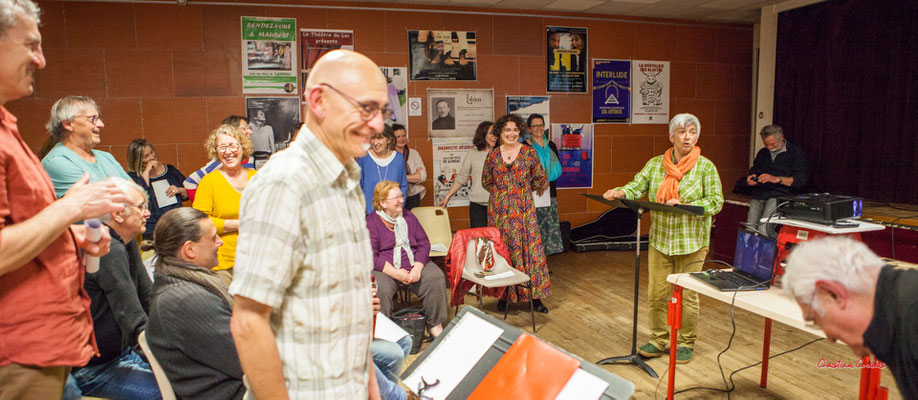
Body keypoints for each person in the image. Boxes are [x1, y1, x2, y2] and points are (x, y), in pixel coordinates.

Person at [229, 49, 390, 399]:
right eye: (366, 108)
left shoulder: (348, 178)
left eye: (382, 111)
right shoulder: (284, 184)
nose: (378, 125)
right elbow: (248, 322)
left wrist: (370, 389)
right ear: (318, 101)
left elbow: (350, 309)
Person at [0, 2, 130, 397]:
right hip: (18, 350)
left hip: (50, 345)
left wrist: (70, 234)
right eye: (31, 46)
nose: (40, 61)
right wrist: (71, 208)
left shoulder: (8, 126)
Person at [603, 113, 723, 364]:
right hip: (661, 240)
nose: (687, 136)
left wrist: (687, 204)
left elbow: (716, 202)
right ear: (671, 136)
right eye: (681, 132)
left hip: (692, 242)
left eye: (692, 131)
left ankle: (686, 342)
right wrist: (621, 191)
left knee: (686, 294)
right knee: (657, 293)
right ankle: (658, 340)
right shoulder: (656, 164)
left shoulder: (706, 167)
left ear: (697, 136)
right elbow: (637, 186)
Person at [784, 236, 918, 397]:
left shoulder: (911, 319)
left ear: (834, 293)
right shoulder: (895, 311)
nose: (829, 337)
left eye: (815, 320)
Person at [64, 177, 159, 400]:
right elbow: (131, 316)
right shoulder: (107, 248)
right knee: (168, 392)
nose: (147, 213)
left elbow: (148, 296)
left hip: (120, 353)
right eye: (141, 207)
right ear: (117, 215)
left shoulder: (124, 241)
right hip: (93, 368)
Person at [146, 208, 246, 400]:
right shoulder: (185, 300)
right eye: (213, 238)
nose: (220, 242)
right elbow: (247, 360)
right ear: (189, 250)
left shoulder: (178, 282)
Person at [482, 114, 551, 314]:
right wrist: (504, 195)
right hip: (499, 213)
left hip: (524, 212)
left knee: (530, 254)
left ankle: (535, 298)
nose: (511, 134)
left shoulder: (529, 153)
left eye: (515, 130)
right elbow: (486, 181)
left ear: (520, 132)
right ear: (500, 133)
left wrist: (519, 192)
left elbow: (539, 179)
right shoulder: (493, 156)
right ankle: (504, 296)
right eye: (507, 130)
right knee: (503, 254)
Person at [368, 181, 448, 337]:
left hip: (413, 263)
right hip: (385, 268)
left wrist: (417, 268)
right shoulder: (371, 222)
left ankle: (435, 325)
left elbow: (424, 244)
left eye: (401, 196)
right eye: (396, 198)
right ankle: (383, 331)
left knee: (435, 277)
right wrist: (396, 273)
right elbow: (371, 255)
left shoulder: (409, 216)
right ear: (383, 203)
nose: (401, 200)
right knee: (380, 288)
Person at [192, 124, 255, 286]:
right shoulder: (209, 182)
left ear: (243, 148)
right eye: (222, 147)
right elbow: (200, 222)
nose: (228, 151)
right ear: (216, 152)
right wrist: (239, 224)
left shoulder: (258, 178)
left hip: (256, 261)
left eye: (233, 145)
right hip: (223, 264)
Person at [41, 95, 131, 197]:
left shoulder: (106, 157)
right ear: (68, 124)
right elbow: (98, 205)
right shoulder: (57, 162)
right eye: (92, 119)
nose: (101, 124)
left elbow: (140, 195)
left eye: (99, 118)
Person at [744, 124, 808, 238]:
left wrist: (777, 179)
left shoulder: (794, 152)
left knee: (764, 230)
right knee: (750, 229)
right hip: (760, 194)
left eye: (772, 144)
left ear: (781, 138)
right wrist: (751, 178)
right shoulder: (763, 153)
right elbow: (754, 171)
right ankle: (754, 255)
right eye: (766, 144)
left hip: (780, 195)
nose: (769, 147)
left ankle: (780, 250)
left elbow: (800, 180)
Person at [126, 139, 187, 240]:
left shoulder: (170, 170)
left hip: (177, 223)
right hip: (152, 229)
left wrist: (179, 190)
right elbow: (141, 190)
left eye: (152, 152)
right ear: (138, 160)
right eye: (146, 156)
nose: (152, 157)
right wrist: (147, 170)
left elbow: (187, 195)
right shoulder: (133, 177)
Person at [438, 121, 496, 228]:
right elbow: (462, 178)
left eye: (496, 133)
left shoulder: (502, 152)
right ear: (483, 134)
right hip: (478, 206)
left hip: (499, 205)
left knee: (498, 240)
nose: (494, 136)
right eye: (491, 133)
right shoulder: (473, 153)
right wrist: (447, 197)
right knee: (479, 240)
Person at [183, 115, 254, 202]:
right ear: (232, 131)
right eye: (244, 128)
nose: (249, 132)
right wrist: (204, 209)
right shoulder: (221, 161)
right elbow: (190, 182)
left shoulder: (249, 158)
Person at [523, 114, 564, 256]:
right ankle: (533, 265)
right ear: (529, 129)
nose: (539, 128)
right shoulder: (524, 147)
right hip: (532, 195)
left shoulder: (551, 145)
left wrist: (546, 181)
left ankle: (544, 266)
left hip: (549, 193)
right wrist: (539, 183)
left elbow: (557, 169)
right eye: (535, 125)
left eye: (541, 125)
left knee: (548, 229)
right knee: (534, 229)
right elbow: (522, 172)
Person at [358, 124, 408, 215]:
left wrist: (398, 207)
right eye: (373, 138)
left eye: (380, 138)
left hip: (393, 214)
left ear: (389, 140)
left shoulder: (398, 159)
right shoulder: (363, 158)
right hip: (369, 213)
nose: (375, 142)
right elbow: (357, 187)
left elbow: (403, 186)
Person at [393, 123, 426, 210]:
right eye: (398, 137)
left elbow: (423, 176)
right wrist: (414, 176)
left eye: (403, 136)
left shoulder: (413, 153)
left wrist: (402, 177)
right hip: (394, 196)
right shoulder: (389, 155)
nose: (402, 139)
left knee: (411, 222)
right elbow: (391, 179)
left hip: (413, 195)